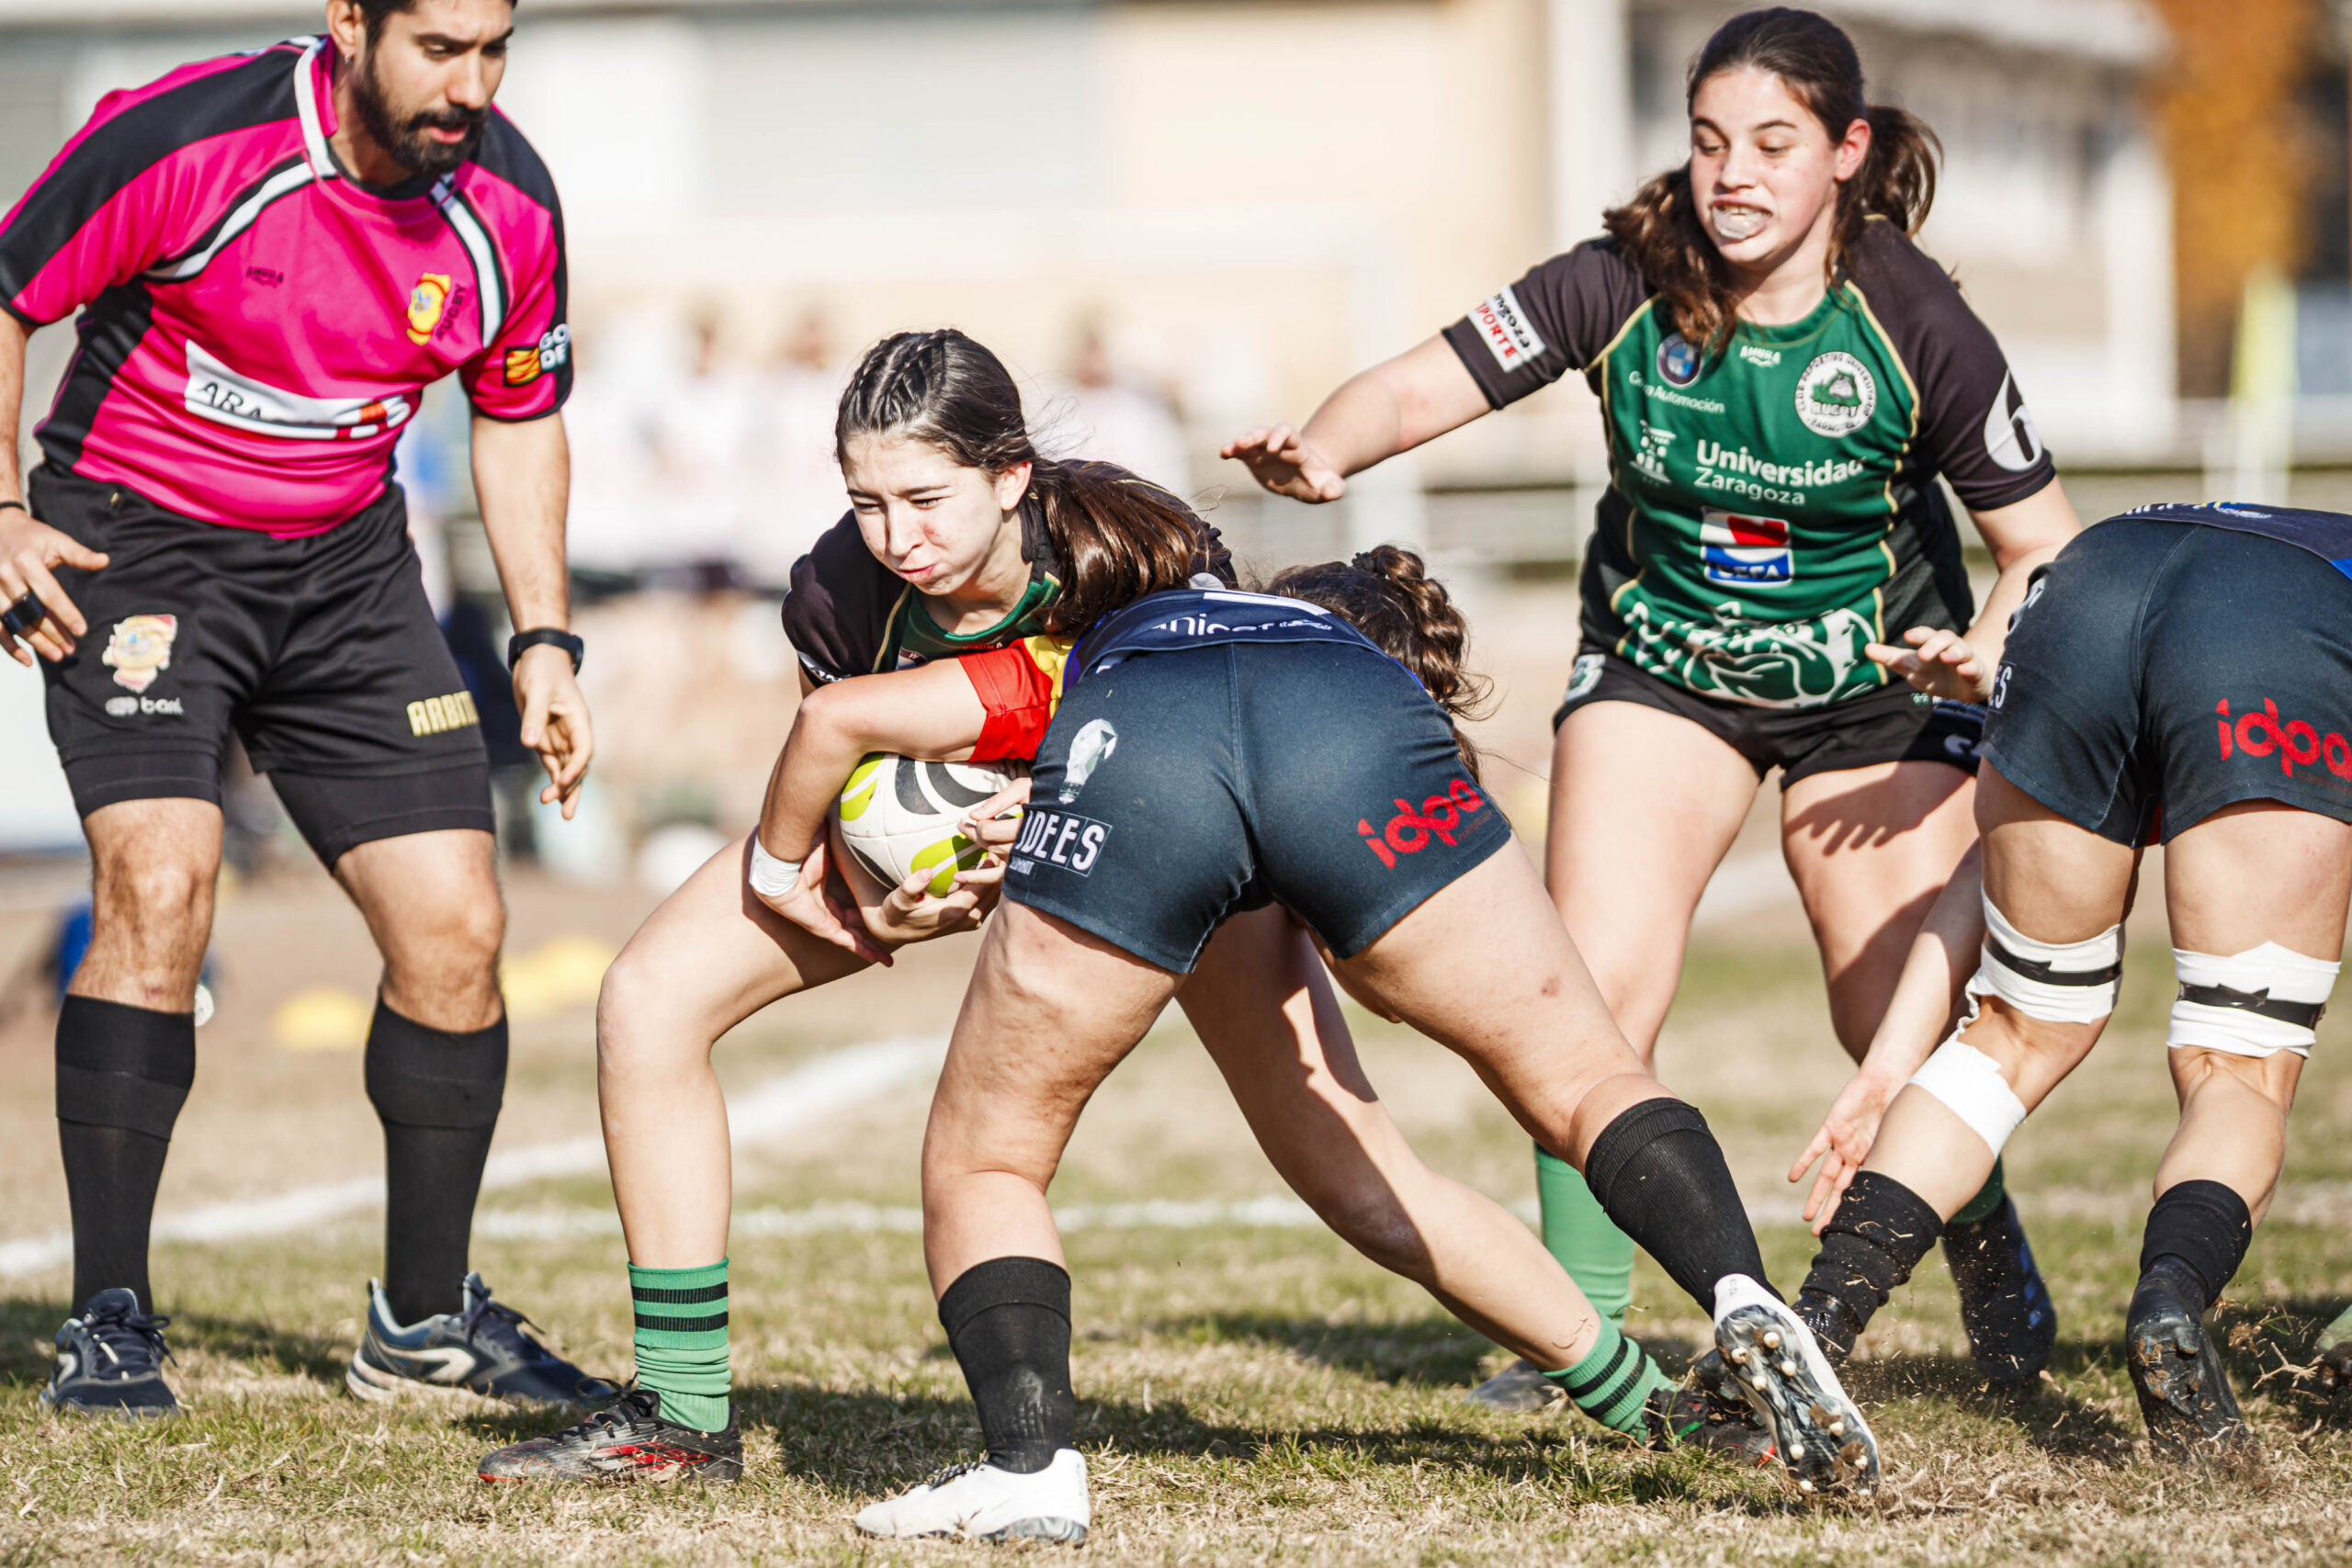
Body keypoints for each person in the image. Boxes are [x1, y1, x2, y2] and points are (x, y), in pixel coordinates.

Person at [475, 331, 1725, 1487]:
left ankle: (1645, 1398)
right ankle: (685, 1414)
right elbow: (846, 770)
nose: (895, 535)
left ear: (1010, 478)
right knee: (647, 994)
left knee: (1351, 1168)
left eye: (926, 500)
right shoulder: (836, 594)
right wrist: (886, 883)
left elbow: (1208, 749)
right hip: (962, 844)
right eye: (867, 502)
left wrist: (1053, 815)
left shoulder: (1140, 545)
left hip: (1171, 838)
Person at [1223, 5, 2079, 1408]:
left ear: (1846, 155)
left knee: (1894, 1010)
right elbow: (1427, 376)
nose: (1734, 174)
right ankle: (1574, 1334)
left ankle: (1998, 1285)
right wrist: (1324, 443)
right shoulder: (1623, 277)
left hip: (1874, 693)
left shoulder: (1917, 319)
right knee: (1583, 993)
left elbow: (2044, 545)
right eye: (1707, 142)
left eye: (1773, 144)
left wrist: (1986, 645)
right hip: (1661, 664)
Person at [854, 559, 1887, 1543]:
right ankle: (1741, 1295)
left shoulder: (1138, 611)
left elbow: (840, 713)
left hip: (1154, 752)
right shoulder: (1365, 685)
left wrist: (802, 853)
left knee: (989, 1157)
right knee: (1585, 1079)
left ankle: (1029, 1474)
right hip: (1345, 741)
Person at [0, 0, 602, 1416]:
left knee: (460, 926)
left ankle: (421, 1316)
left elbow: (520, 411)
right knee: (162, 876)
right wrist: (1, 511)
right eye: (438, 46)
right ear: (348, 20)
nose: (470, 82)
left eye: (494, 48)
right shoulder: (190, 137)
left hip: (346, 567)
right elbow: (10, 289)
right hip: (137, 543)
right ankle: (108, 1315)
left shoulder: (506, 201)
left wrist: (546, 637)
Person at [1780, 501, 2352, 1458]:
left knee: (2012, 1030)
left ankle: (1817, 1326)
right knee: (2237, 1063)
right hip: (2275, 621)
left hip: (2086, 583)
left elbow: (1976, 870)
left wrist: (1887, 1069)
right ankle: (2167, 1303)